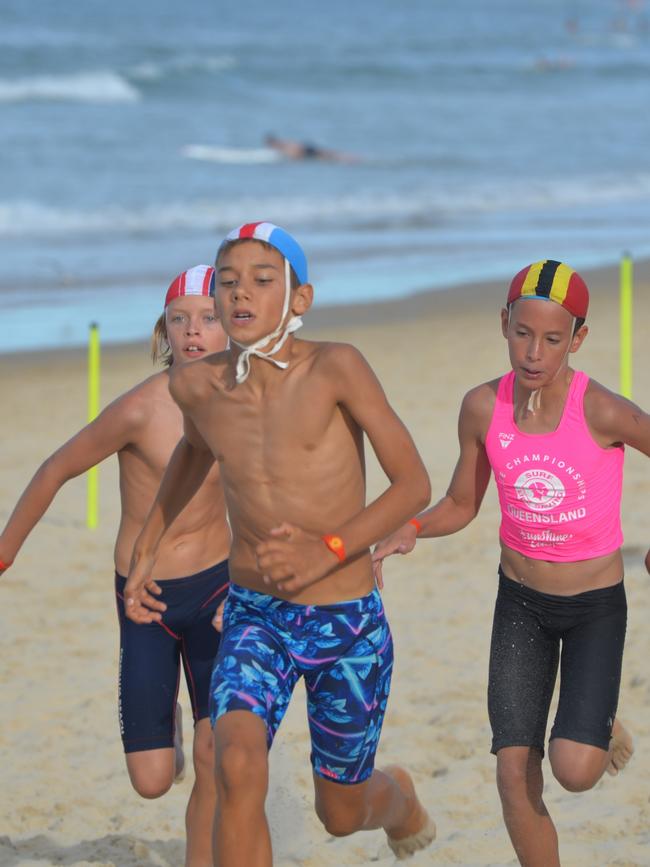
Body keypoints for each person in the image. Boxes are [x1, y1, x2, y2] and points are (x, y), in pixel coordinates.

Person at [124, 222, 437, 866]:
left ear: (299, 299)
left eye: (262, 281)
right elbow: (192, 451)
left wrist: (329, 548)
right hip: (255, 615)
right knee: (234, 764)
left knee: (340, 813)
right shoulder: (199, 386)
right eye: (228, 283)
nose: (241, 294)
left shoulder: (336, 367)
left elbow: (413, 484)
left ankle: (398, 799)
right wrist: (145, 552)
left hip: (344, 620)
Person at [373, 259, 648, 867]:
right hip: (520, 603)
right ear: (503, 324)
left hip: (594, 608)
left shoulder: (600, 409)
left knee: (576, 770)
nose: (534, 352)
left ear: (577, 339)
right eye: (523, 333)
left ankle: (596, 724)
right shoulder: (481, 407)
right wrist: (412, 528)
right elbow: (463, 503)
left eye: (553, 339)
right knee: (512, 768)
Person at [0, 265, 231, 867]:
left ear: (233, 326)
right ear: (164, 332)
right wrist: (5, 552)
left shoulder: (251, 407)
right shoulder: (140, 410)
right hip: (145, 597)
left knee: (216, 756)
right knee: (153, 780)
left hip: (219, 590)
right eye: (179, 320)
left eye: (208, 318)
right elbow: (55, 469)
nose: (193, 332)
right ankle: (170, 729)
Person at [263, 133, 359, 163]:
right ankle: (352, 158)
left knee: (332, 157)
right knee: (332, 155)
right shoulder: (283, 144)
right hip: (308, 149)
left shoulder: (282, 146)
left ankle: (352, 159)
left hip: (307, 151)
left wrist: (296, 158)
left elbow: (296, 151)